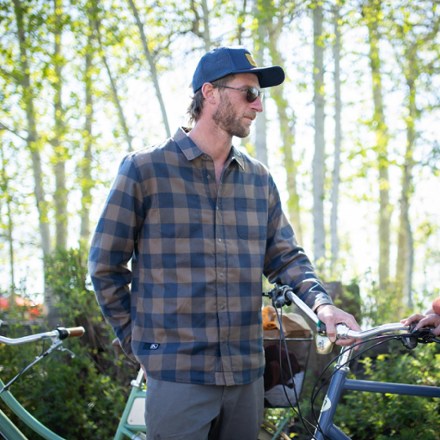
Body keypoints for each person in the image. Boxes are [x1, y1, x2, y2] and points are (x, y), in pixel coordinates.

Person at [88, 46, 361, 440]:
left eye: (260, 95)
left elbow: (286, 257)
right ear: (210, 92)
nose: (259, 105)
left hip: (246, 376)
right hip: (178, 378)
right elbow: (105, 267)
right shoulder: (144, 170)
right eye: (249, 92)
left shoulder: (258, 179)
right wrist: (139, 345)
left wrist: (323, 304)